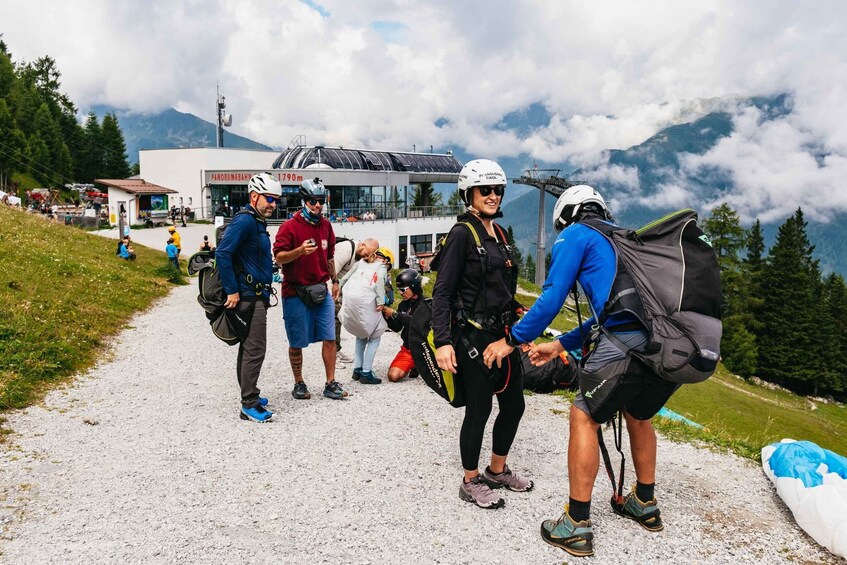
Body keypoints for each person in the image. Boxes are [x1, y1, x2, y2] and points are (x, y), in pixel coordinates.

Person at [484, 185, 673, 557]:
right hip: (666, 345)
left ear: (566, 215)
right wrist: (559, 344)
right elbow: (616, 312)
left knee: (584, 416)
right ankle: (645, 503)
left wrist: (512, 339)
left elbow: (552, 297)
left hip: (625, 343)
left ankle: (576, 524)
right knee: (639, 414)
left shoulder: (575, 234)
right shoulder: (625, 239)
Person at [432, 159, 532, 509]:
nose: (493, 196)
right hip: (471, 337)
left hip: (502, 337)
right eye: (485, 190)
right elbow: (442, 292)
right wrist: (443, 341)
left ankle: (497, 470)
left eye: (498, 190)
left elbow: (501, 287)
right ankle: (470, 479)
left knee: (514, 405)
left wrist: (520, 316)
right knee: (479, 409)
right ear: (469, 193)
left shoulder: (500, 235)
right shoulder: (462, 235)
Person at [215, 172, 281, 423]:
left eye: (276, 200)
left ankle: (249, 393)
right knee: (255, 349)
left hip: (256, 294)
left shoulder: (256, 221)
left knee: (248, 347)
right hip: (247, 296)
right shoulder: (245, 222)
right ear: (254, 196)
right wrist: (232, 290)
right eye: (269, 199)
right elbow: (223, 253)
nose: (273, 205)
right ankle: (249, 404)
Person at [273, 178, 347, 401]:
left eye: (321, 201)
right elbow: (278, 257)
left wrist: (335, 281)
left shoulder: (326, 225)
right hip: (295, 291)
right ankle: (299, 383)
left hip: (321, 289)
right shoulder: (289, 226)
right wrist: (298, 251)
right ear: (303, 201)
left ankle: (330, 383)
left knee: (330, 337)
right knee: (296, 341)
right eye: (313, 201)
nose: (317, 206)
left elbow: (330, 257)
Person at [338, 248, 387, 385]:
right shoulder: (380, 267)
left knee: (361, 336)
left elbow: (345, 278)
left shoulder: (359, 263)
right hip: (368, 304)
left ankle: (357, 369)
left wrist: (339, 292)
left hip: (352, 301)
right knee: (375, 337)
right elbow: (380, 283)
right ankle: (366, 372)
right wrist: (381, 302)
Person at [333, 238, 380, 365]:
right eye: (365, 253)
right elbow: (330, 273)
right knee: (334, 320)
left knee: (340, 319)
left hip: (342, 292)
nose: (366, 257)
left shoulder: (361, 257)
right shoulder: (346, 249)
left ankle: (336, 350)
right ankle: (333, 354)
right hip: (331, 288)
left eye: (368, 255)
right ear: (362, 244)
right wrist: (332, 297)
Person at [382, 269, 425, 382]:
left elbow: (417, 323)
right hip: (408, 349)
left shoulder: (426, 304)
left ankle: (419, 365)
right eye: (399, 290)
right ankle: (414, 364)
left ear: (414, 287)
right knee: (393, 376)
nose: (400, 293)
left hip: (425, 349)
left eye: (403, 290)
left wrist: (395, 314)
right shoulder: (403, 305)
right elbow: (397, 328)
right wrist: (387, 317)